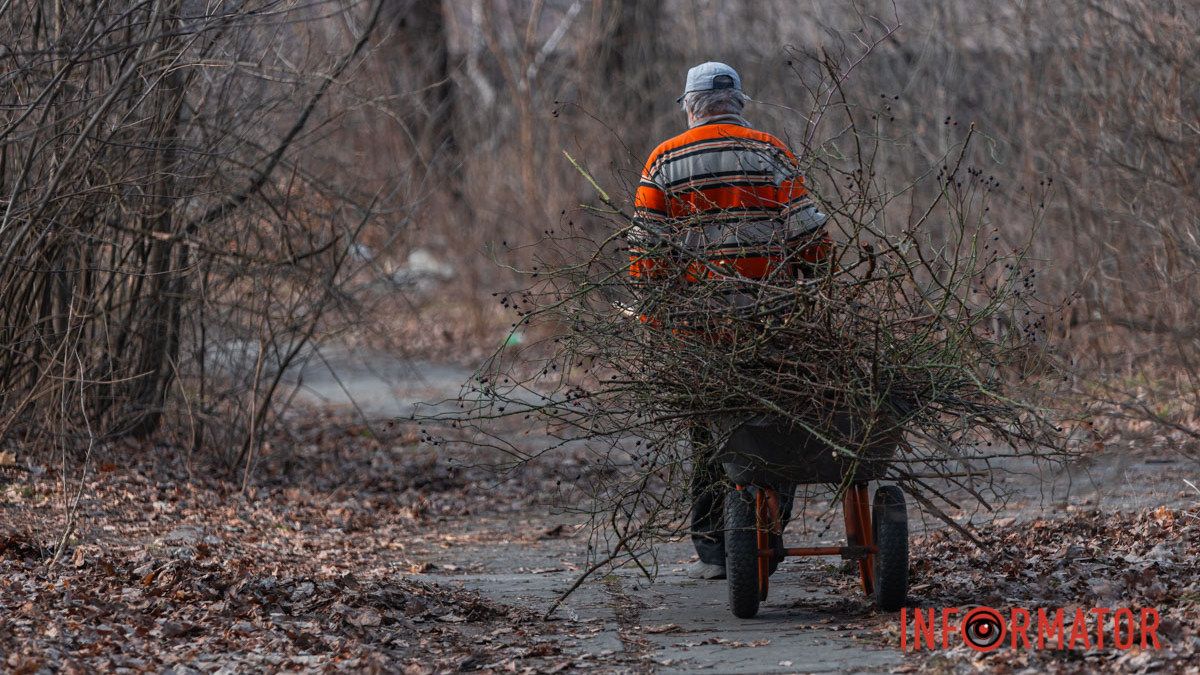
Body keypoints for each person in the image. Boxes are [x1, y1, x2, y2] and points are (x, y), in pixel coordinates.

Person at [629, 62, 832, 580]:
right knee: (775, 425)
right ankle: (768, 532)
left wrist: (659, 309)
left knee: (710, 432)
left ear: (690, 107)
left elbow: (646, 260)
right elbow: (811, 240)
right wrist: (813, 280)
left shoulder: (664, 160)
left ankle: (716, 549)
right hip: (773, 323)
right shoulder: (772, 152)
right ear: (739, 103)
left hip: (698, 333)